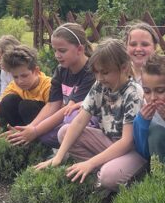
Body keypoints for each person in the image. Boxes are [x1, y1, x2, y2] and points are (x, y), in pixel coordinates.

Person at [35, 38, 147, 192]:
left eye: (105, 72)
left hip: (132, 150)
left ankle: (126, 175)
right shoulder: (100, 85)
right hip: (108, 141)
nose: (99, 78)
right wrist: (58, 157)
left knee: (108, 177)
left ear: (124, 68)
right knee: (64, 132)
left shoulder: (133, 93)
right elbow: (79, 121)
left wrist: (90, 162)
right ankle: (99, 170)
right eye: (96, 72)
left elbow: (127, 142)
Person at [3, 23, 96, 147]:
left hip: (87, 120)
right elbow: (52, 105)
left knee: (71, 117)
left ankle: (75, 150)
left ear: (79, 49)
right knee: (45, 137)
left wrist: (36, 131)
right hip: (66, 118)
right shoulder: (61, 70)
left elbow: (69, 108)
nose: (57, 55)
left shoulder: (91, 72)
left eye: (62, 50)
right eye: (55, 50)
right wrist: (31, 127)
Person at [0, 45, 51, 133]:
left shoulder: (48, 85)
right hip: (24, 123)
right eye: (15, 77)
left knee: (26, 105)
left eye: (24, 76)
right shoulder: (14, 85)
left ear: (36, 71)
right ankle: (17, 130)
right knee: (7, 101)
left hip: (44, 125)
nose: (20, 81)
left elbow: (55, 112)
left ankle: (30, 134)